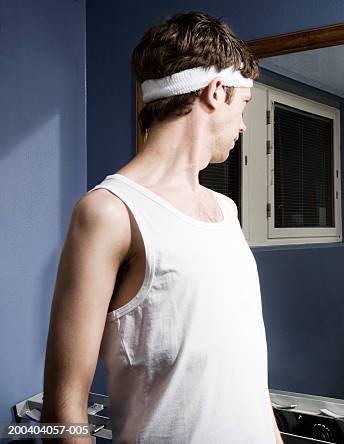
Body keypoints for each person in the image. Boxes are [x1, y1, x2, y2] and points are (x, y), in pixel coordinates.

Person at [41, 12, 282, 443]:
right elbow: (63, 410)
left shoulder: (226, 212)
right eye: (244, 105)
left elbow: (246, 374)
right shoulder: (109, 213)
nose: (244, 125)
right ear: (215, 93)